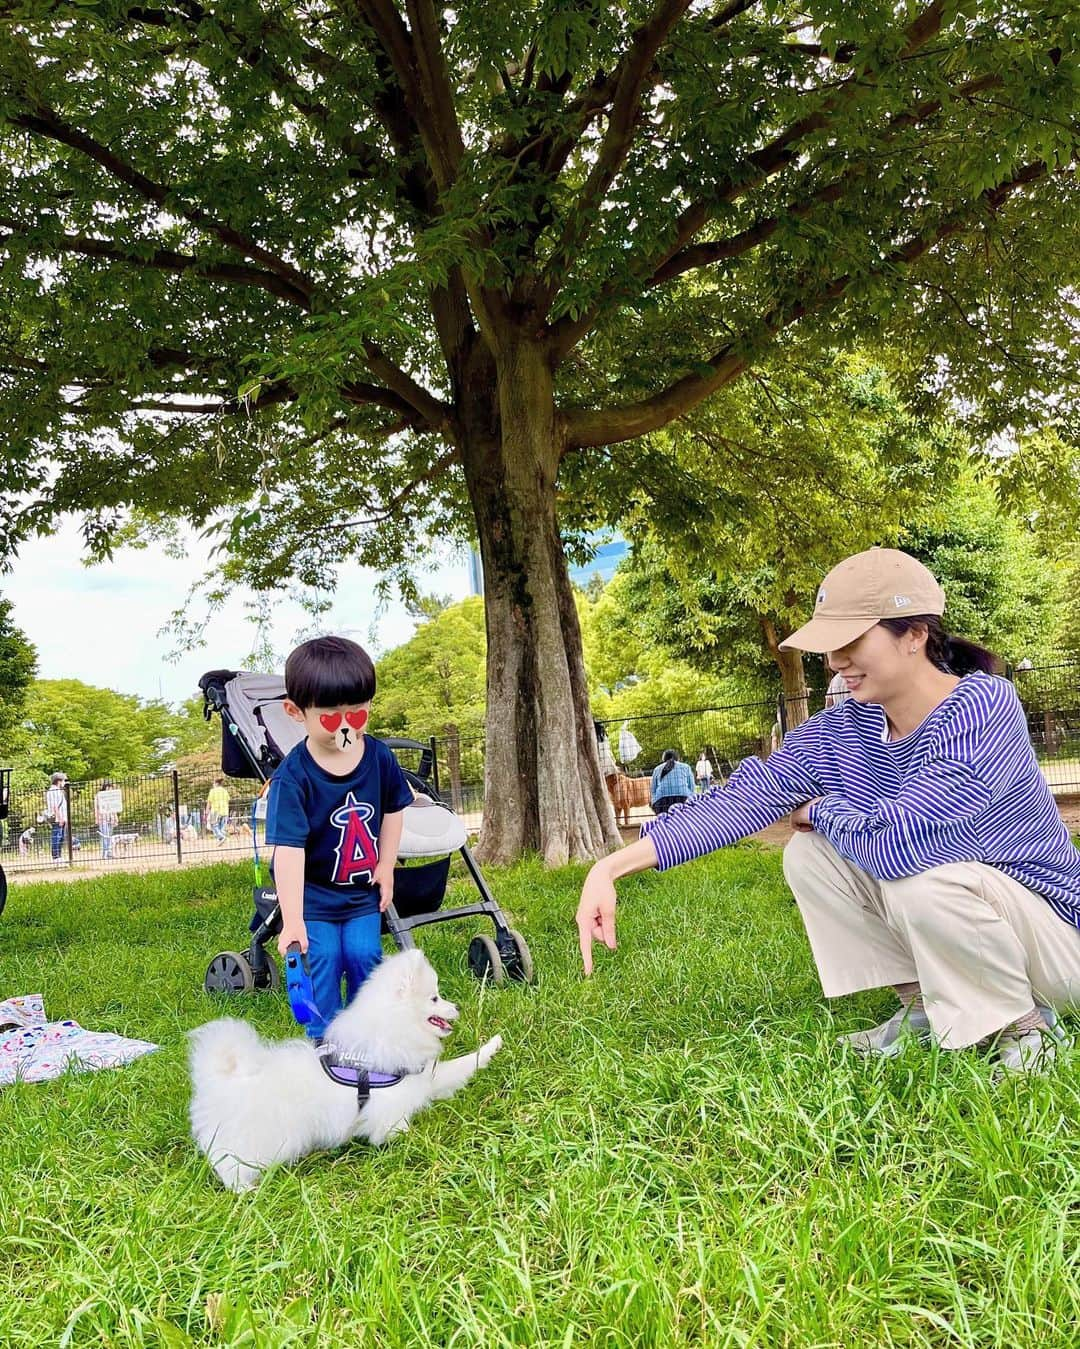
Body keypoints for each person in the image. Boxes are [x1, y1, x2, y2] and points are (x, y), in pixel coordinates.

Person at [576, 547, 1080, 1076]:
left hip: (1057, 944)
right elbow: (746, 797)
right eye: (829, 646)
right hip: (973, 917)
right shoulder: (846, 727)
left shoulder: (983, 706)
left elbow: (906, 845)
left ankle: (1028, 1030)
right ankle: (922, 1005)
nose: (836, 661)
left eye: (851, 641)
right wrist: (611, 867)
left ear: (914, 635)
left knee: (917, 875)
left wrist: (824, 810)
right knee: (809, 856)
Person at [267, 635, 414, 1041]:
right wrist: (292, 918)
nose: (347, 727)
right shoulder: (293, 778)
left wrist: (386, 866)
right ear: (296, 712)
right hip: (314, 899)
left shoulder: (380, 757)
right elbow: (289, 852)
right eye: (332, 718)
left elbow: (394, 809)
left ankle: (370, 1033)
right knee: (325, 956)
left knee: (365, 954)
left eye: (358, 715)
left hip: (361, 893)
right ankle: (325, 1040)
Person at [649, 749, 695, 815]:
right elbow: (692, 787)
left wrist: (653, 803)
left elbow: (653, 789)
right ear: (677, 758)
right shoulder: (686, 767)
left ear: (664, 758)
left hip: (661, 803)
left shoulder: (657, 769)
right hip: (683, 799)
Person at [44, 772, 68, 862]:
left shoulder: (57, 791)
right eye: (63, 780)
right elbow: (54, 806)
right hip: (58, 818)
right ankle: (56, 856)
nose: (64, 782)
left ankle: (59, 855)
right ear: (59, 781)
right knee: (56, 837)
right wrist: (60, 818)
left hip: (61, 817)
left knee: (60, 837)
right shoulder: (53, 791)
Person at [94, 780, 120, 861]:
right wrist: (97, 818)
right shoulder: (99, 795)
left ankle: (109, 852)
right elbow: (96, 807)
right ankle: (104, 853)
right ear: (107, 787)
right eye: (110, 787)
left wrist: (115, 817)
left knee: (109, 836)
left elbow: (113, 807)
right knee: (105, 835)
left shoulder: (111, 795)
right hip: (102, 818)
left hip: (110, 817)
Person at [206, 777, 230, 846]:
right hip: (225, 811)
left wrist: (207, 811)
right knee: (221, 827)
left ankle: (221, 837)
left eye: (213, 783)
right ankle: (221, 839)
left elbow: (209, 802)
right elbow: (227, 801)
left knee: (213, 825)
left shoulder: (212, 791)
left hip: (215, 811)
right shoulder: (224, 791)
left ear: (216, 783)